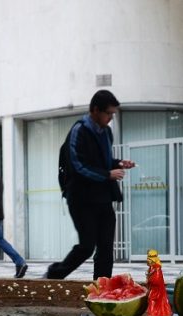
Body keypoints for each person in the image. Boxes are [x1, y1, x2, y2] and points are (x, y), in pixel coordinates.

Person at [45, 90, 135, 280]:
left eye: (113, 114)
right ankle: (53, 275)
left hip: (102, 198)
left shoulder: (106, 132)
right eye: (108, 113)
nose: (111, 118)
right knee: (87, 246)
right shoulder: (79, 130)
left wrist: (117, 163)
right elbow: (78, 165)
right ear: (95, 110)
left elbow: (102, 161)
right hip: (81, 198)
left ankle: (102, 288)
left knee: (105, 247)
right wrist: (107, 174)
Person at [145, 249, 172, 316]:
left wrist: (149, 280)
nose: (147, 261)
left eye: (149, 260)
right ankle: (152, 313)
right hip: (153, 288)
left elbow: (156, 281)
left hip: (156, 289)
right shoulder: (151, 268)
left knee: (152, 299)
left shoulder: (157, 269)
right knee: (152, 299)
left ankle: (152, 314)